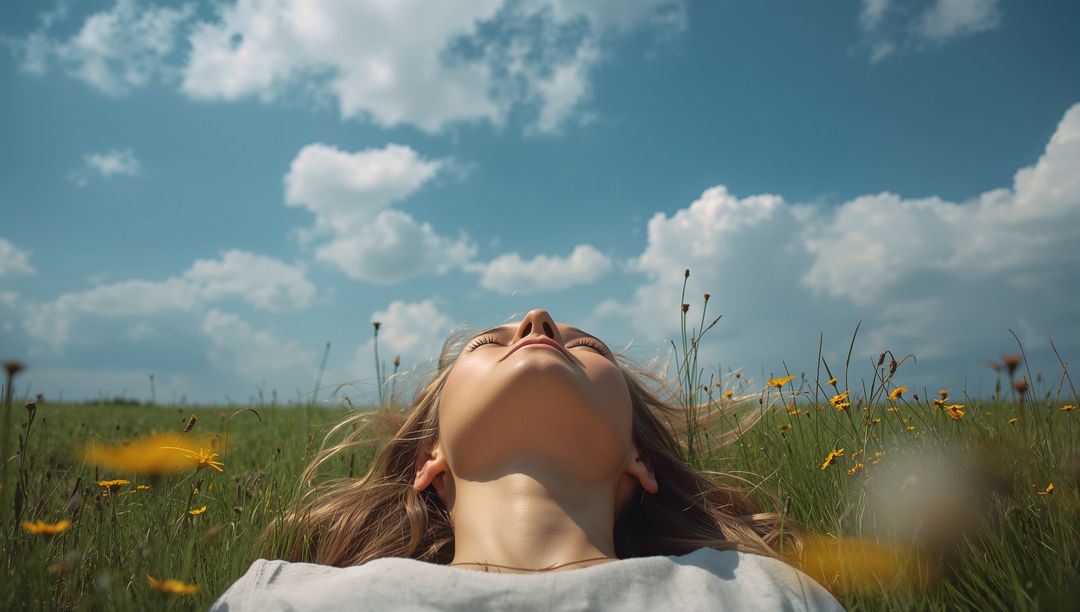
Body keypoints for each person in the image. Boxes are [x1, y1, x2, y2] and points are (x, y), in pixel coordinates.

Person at [210, 308, 844, 611]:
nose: (536, 320)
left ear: (639, 460)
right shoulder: (283, 599)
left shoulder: (762, 592)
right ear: (428, 460)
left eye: (586, 346)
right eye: (490, 342)